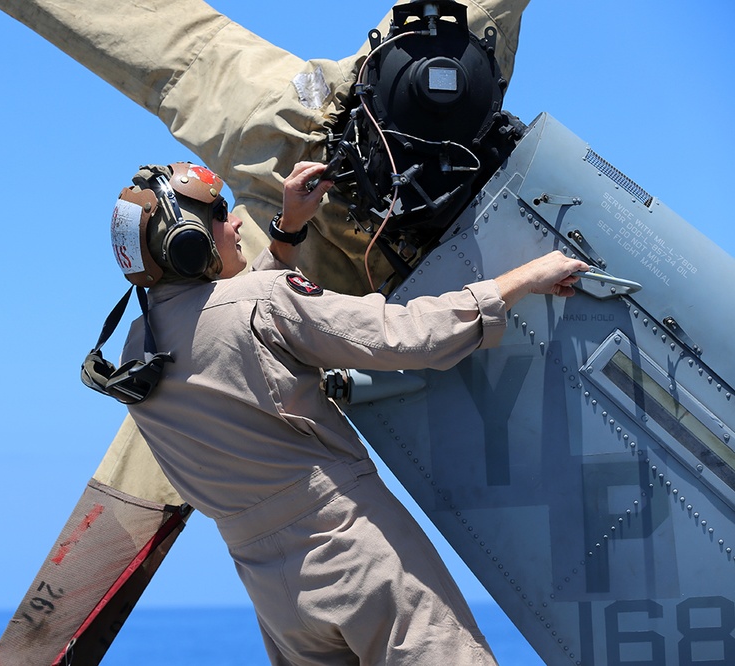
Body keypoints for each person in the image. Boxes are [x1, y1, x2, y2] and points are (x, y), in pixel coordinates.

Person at [104, 159, 588, 665]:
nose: (234, 225)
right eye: (221, 214)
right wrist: (524, 278)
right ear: (186, 240)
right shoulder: (260, 301)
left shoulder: (137, 355)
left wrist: (287, 231)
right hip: (352, 551)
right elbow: (410, 335)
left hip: (272, 592)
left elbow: (229, 329)